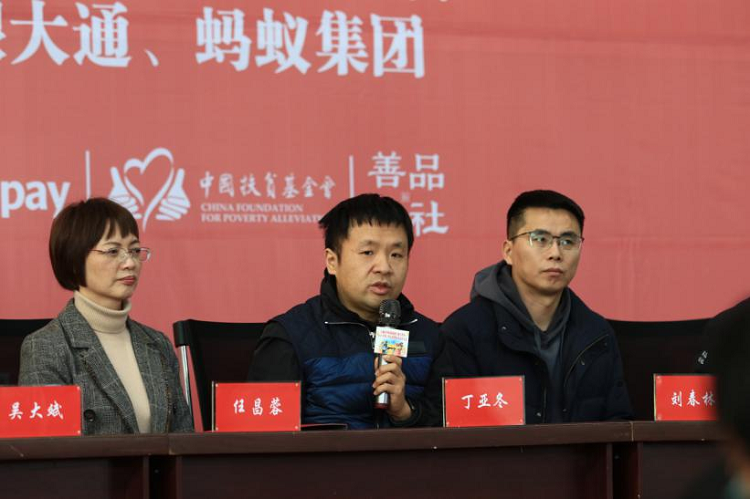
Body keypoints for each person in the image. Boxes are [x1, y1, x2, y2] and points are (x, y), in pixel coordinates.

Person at [249, 193, 448, 429]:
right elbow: (265, 435)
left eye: (396, 254)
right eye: (368, 252)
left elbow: (454, 430)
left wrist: (406, 412)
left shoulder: (430, 336)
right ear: (332, 261)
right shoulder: (291, 336)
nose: (384, 267)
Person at [441, 190, 632, 423]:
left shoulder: (597, 334)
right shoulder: (464, 332)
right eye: (540, 239)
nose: (556, 253)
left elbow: (618, 424)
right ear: (508, 251)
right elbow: (459, 433)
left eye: (567, 242)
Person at [19, 198, 193, 435]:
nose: (130, 262)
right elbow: (48, 449)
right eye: (113, 251)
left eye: (134, 250)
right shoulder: (46, 347)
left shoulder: (157, 343)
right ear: (74, 260)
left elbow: (184, 439)